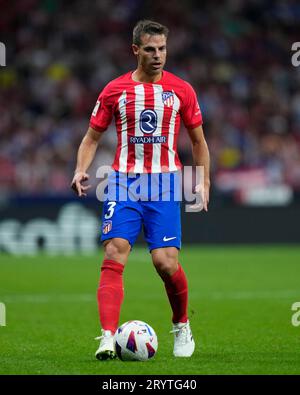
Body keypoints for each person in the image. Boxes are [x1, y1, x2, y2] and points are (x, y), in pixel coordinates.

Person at [71, 19, 210, 360]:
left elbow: (198, 141)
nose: (158, 55)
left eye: (162, 48)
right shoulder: (114, 90)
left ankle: (181, 324)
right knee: (115, 250)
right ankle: (106, 337)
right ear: (136, 50)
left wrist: (203, 181)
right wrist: (80, 169)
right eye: (150, 49)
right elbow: (91, 138)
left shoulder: (181, 90)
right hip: (123, 181)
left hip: (164, 183)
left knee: (165, 263)